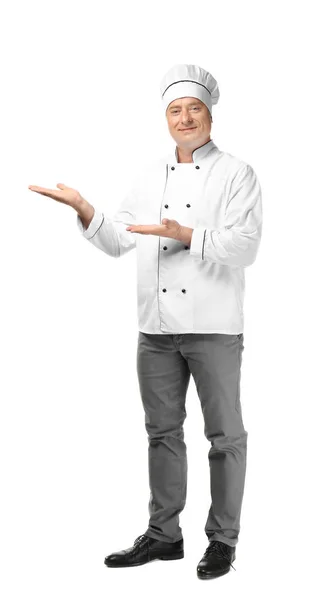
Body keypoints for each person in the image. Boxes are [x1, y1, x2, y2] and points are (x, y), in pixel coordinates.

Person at [28, 63, 263, 580]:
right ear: (166, 117)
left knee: (225, 437)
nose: (185, 117)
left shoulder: (236, 173)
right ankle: (164, 536)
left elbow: (244, 248)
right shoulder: (148, 171)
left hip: (215, 327)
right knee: (161, 433)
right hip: (154, 330)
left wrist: (185, 232)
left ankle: (223, 540)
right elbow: (119, 240)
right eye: (175, 110)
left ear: (209, 114)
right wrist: (85, 209)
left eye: (194, 108)